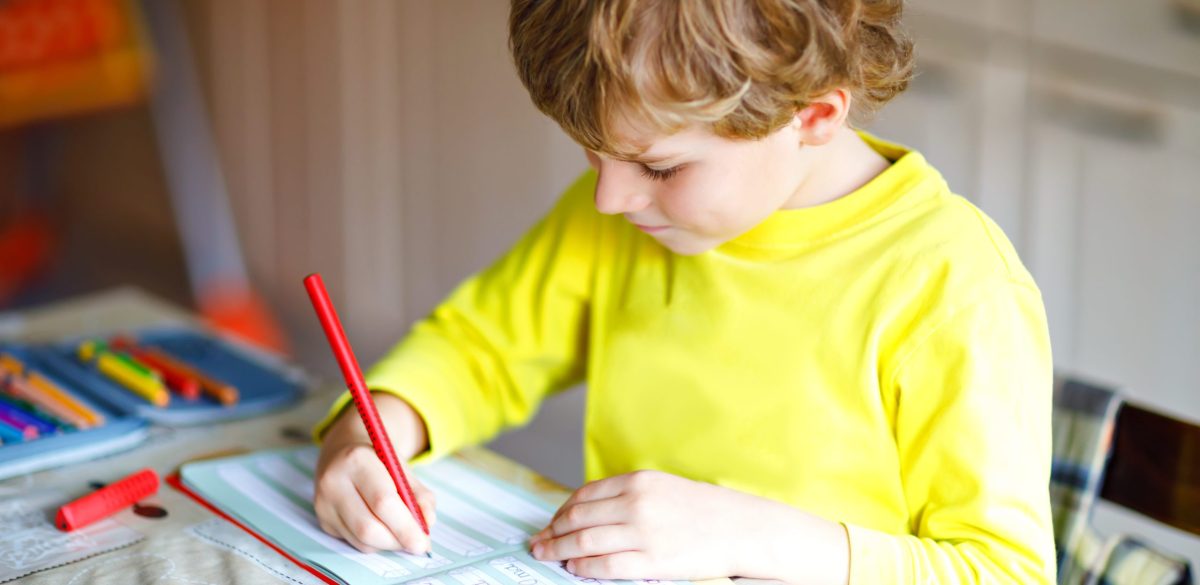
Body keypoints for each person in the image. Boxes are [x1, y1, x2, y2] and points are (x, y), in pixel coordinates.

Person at [312, 1, 1056, 583]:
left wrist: (748, 533)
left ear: (815, 117)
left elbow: (1003, 571)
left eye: (659, 168)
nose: (609, 198)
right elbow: (482, 348)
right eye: (592, 154)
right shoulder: (627, 213)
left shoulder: (955, 288)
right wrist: (372, 431)